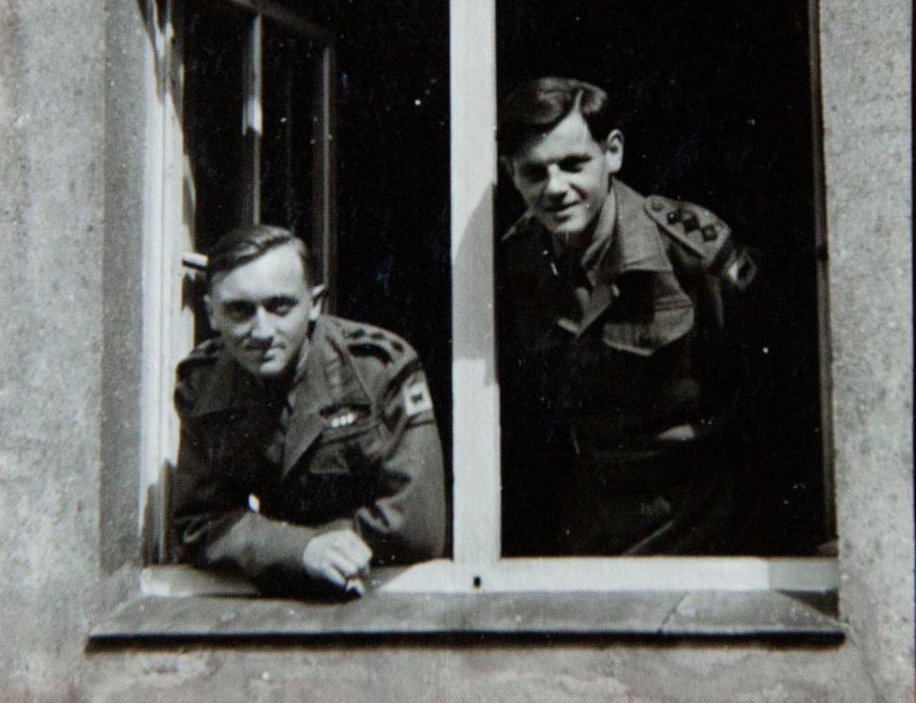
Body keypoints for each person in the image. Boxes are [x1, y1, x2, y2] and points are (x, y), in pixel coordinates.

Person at [496, 77, 759, 556]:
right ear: (510, 173)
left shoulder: (691, 251)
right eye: (535, 172)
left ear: (612, 153)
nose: (556, 188)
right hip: (587, 520)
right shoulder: (517, 259)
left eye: (574, 165)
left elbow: (770, 390)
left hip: (697, 523)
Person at [171, 225, 446, 596]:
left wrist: (318, 549)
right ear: (212, 315)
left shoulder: (376, 369)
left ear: (315, 303)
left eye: (280, 306)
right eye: (240, 311)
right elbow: (197, 521)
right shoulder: (202, 386)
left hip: (383, 593)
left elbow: (416, 524)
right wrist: (299, 551)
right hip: (273, 600)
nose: (262, 331)